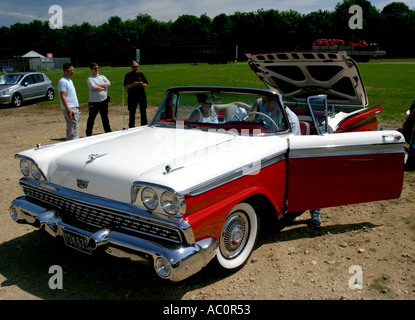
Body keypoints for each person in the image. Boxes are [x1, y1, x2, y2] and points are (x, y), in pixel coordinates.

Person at [86, 62, 111, 136]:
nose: (96, 69)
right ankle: (89, 133)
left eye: (97, 68)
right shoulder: (90, 78)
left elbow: (108, 83)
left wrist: (98, 85)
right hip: (94, 102)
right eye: (94, 68)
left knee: (105, 117)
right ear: (91, 69)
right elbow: (93, 88)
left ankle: (108, 131)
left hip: (103, 101)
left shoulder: (102, 77)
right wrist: (103, 87)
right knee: (91, 118)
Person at [58, 63, 80, 140]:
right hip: (70, 108)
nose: (72, 72)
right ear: (65, 71)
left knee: (73, 126)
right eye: (70, 70)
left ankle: (71, 141)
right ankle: (74, 143)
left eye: (73, 70)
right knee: (73, 128)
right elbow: (62, 96)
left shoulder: (69, 81)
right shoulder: (62, 81)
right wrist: (68, 109)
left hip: (74, 107)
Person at [123, 60, 148, 127]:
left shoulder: (141, 74)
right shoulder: (128, 75)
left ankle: (144, 125)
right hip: (132, 96)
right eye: (134, 67)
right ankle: (131, 126)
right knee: (132, 112)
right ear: (131, 67)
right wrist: (132, 84)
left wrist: (142, 84)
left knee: (143, 111)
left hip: (141, 96)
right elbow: (125, 86)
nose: (135, 68)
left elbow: (146, 85)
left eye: (137, 66)